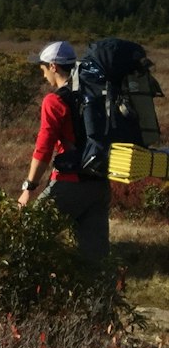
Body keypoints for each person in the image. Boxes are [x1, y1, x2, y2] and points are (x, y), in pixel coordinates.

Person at [18, 40, 111, 267]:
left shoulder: (55, 100)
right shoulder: (97, 96)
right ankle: (100, 300)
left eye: (42, 69)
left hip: (69, 184)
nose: (43, 76)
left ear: (53, 66)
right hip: (100, 184)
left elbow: (44, 148)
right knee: (95, 259)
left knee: (25, 237)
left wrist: (29, 188)